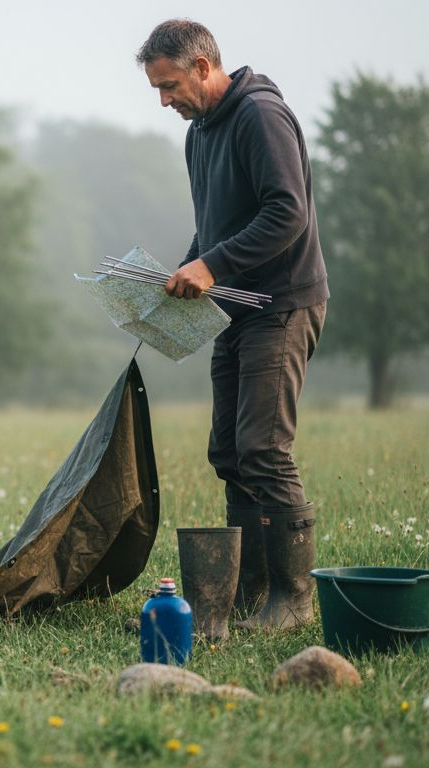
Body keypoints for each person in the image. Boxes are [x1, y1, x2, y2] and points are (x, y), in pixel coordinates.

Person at [136, 19, 329, 631]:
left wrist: (211, 264)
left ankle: (293, 600)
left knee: (264, 450)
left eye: (169, 86)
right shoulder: (200, 133)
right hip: (236, 309)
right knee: (228, 451)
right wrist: (190, 268)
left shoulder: (259, 116)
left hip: (283, 304)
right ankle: (249, 594)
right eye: (156, 91)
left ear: (202, 66)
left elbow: (287, 213)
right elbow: (215, 227)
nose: (165, 101)